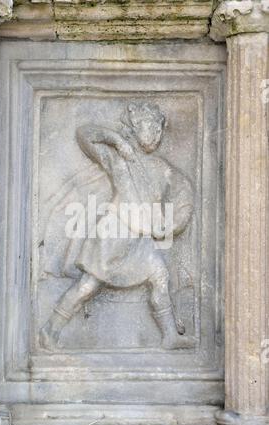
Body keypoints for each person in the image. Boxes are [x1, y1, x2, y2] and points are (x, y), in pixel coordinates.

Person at [40, 102, 196, 351]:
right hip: (114, 233)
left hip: (140, 238)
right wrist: (116, 140)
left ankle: (170, 336)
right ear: (134, 129)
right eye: (148, 128)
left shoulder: (161, 168)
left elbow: (183, 191)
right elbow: (85, 134)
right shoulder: (118, 158)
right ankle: (50, 330)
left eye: (159, 130)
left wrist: (171, 224)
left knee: (160, 275)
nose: (155, 135)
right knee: (88, 286)